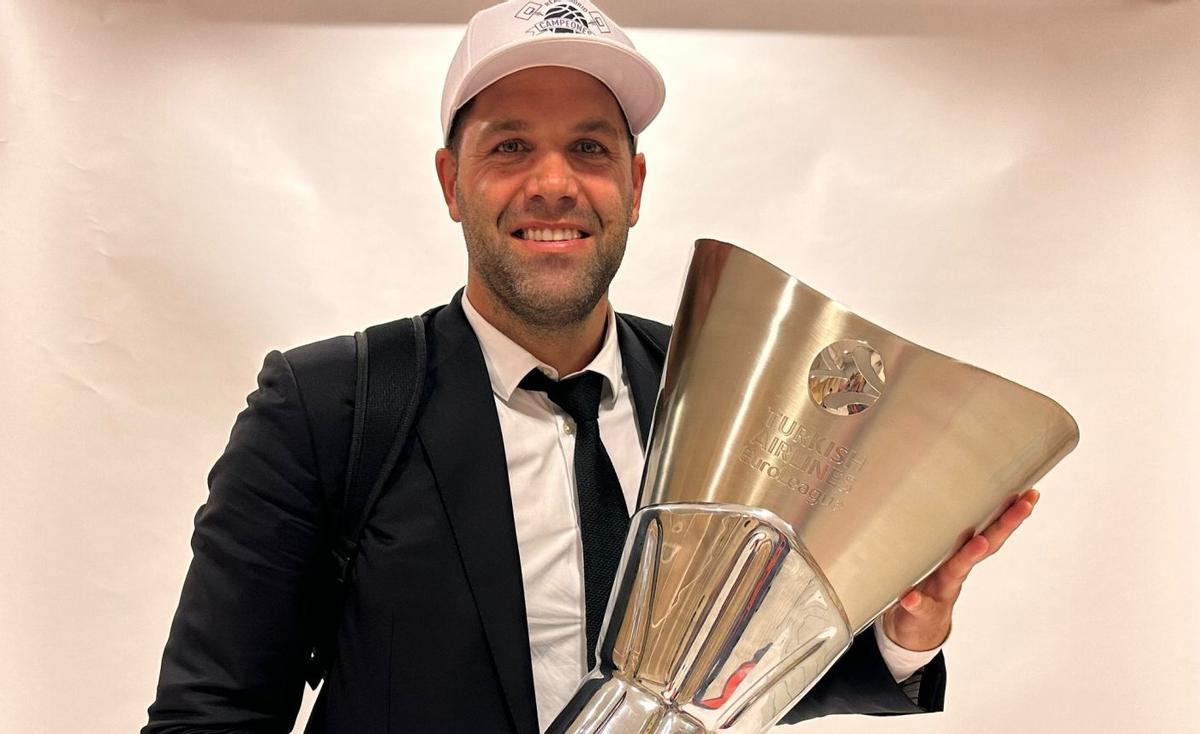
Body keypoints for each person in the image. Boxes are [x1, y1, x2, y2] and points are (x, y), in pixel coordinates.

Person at [144, 2, 1040, 732]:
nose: (554, 183)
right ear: (451, 183)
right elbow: (211, 712)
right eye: (508, 147)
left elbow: (742, 674)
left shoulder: (720, 393)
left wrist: (901, 628)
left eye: (589, 148)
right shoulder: (328, 405)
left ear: (635, 188)